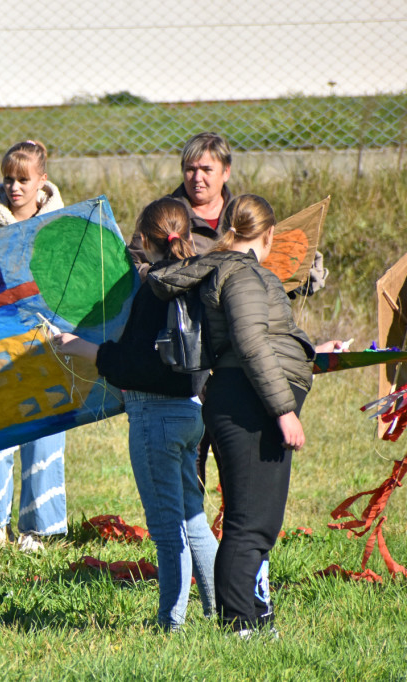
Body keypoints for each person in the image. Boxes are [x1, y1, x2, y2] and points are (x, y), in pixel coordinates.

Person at [147, 194, 343, 635]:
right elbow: (252, 345)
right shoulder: (244, 273)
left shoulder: (229, 268)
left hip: (245, 398)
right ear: (269, 234)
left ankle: (257, 618)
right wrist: (284, 411)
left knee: (256, 521)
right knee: (251, 524)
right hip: (251, 403)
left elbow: (263, 342)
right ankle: (239, 626)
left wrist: (312, 351)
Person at [51, 197, 217, 630]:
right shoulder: (194, 281)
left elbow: (136, 365)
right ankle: (222, 611)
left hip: (155, 418)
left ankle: (171, 623)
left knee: (167, 529)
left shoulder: (153, 291)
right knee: (193, 520)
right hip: (190, 413)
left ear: (143, 240)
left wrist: (80, 348)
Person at [0, 140, 68, 552]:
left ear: (43, 179)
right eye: (8, 179)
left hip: (47, 346)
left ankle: (38, 528)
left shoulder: (65, 224)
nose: (15, 187)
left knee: (43, 431)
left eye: (24, 179)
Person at [127, 132, 234, 280]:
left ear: (226, 171)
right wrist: (168, 276)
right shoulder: (161, 215)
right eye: (191, 169)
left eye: (206, 170)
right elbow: (131, 266)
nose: (197, 178)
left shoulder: (242, 214)